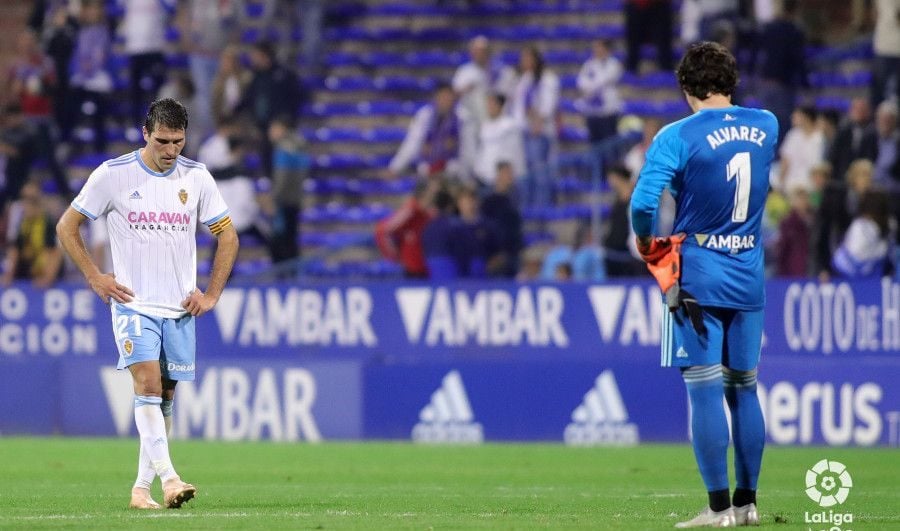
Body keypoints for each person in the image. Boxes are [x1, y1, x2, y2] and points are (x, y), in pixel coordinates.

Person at [55, 98, 239, 510]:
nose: (170, 150)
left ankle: (141, 489)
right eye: (162, 141)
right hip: (133, 304)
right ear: (145, 133)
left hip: (179, 308)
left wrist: (211, 295)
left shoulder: (198, 177)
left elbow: (228, 236)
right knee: (148, 385)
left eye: (178, 141)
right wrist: (94, 276)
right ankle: (171, 480)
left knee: (165, 397)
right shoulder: (113, 174)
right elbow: (67, 225)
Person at [631, 42, 778, 527]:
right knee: (745, 389)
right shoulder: (767, 125)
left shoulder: (676, 135)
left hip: (696, 275)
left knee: (704, 390)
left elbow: (642, 204)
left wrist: (646, 239)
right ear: (731, 81)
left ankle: (718, 510)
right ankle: (748, 503)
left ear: (685, 88)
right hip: (749, 271)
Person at [387, 83, 465, 179]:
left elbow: (465, 147)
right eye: (443, 97)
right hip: (428, 170)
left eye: (449, 97)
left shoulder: (461, 116)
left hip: (452, 171)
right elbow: (412, 142)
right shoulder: (425, 115)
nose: (446, 101)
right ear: (437, 97)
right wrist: (396, 167)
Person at [1, 182, 63, 288]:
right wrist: (9, 274)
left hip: (44, 271)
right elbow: (15, 249)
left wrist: (47, 277)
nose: (26, 204)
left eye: (31, 200)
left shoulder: (48, 223)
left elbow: (55, 252)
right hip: (28, 270)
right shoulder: (22, 222)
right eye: (24, 199)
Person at [576, 39, 623, 145]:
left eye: (599, 47)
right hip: (592, 112)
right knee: (594, 143)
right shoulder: (589, 64)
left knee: (609, 143)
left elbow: (604, 79)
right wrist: (592, 85)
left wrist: (591, 85)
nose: (597, 50)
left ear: (607, 49)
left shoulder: (613, 64)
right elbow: (581, 82)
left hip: (608, 112)